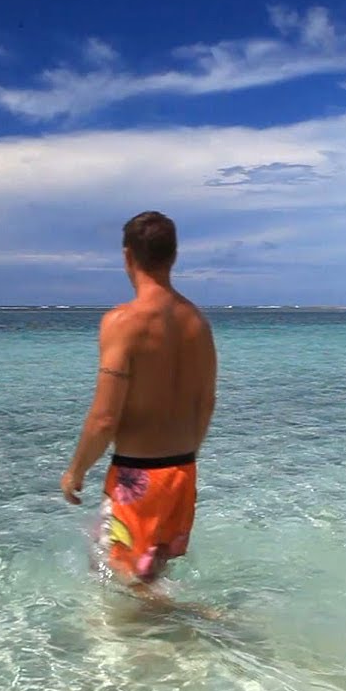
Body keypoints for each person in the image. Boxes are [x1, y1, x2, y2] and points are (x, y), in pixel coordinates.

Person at [59, 211, 218, 594]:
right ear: (174, 256)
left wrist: (75, 472)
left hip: (138, 478)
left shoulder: (123, 323)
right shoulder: (198, 323)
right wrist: (183, 458)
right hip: (181, 474)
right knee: (144, 577)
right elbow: (206, 402)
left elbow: (104, 418)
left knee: (120, 582)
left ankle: (210, 623)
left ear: (128, 256)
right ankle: (174, 638)